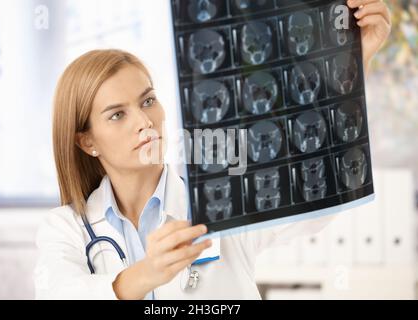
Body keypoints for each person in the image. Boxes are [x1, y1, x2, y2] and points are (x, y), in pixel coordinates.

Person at [34, 0, 391, 299]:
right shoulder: (65, 229)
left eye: (148, 101)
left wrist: (353, 63)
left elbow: (316, 205)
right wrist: (147, 274)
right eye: (117, 115)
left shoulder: (224, 196)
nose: (144, 122)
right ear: (87, 141)